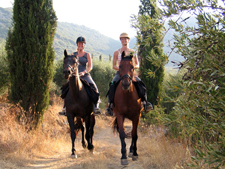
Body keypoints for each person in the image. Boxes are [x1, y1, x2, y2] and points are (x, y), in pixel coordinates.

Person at [105, 32, 153, 116]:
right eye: (122, 39)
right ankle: (110, 106)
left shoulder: (132, 52)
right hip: (120, 73)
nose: (124, 40)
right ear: (120, 40)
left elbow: (137, 64)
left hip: (131, 73)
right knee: (112, 85)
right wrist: (122, 70)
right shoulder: (117, 52)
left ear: (128, 40)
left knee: (141, 84)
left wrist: (131, 68)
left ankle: (145, 103)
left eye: (126, 38)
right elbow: (113, 65)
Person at [59, 36, 101, 116]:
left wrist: (84, 72)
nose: (80, 45)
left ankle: (96, 107)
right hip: (74, 75)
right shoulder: (73, 54)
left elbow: (90, 67)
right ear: (77, 44)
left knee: (94, 87)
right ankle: (64, 108)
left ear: (84, 45)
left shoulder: (87, 54)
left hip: (84, 75)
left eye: (82, 44)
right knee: (66, 88)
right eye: (79, 43)